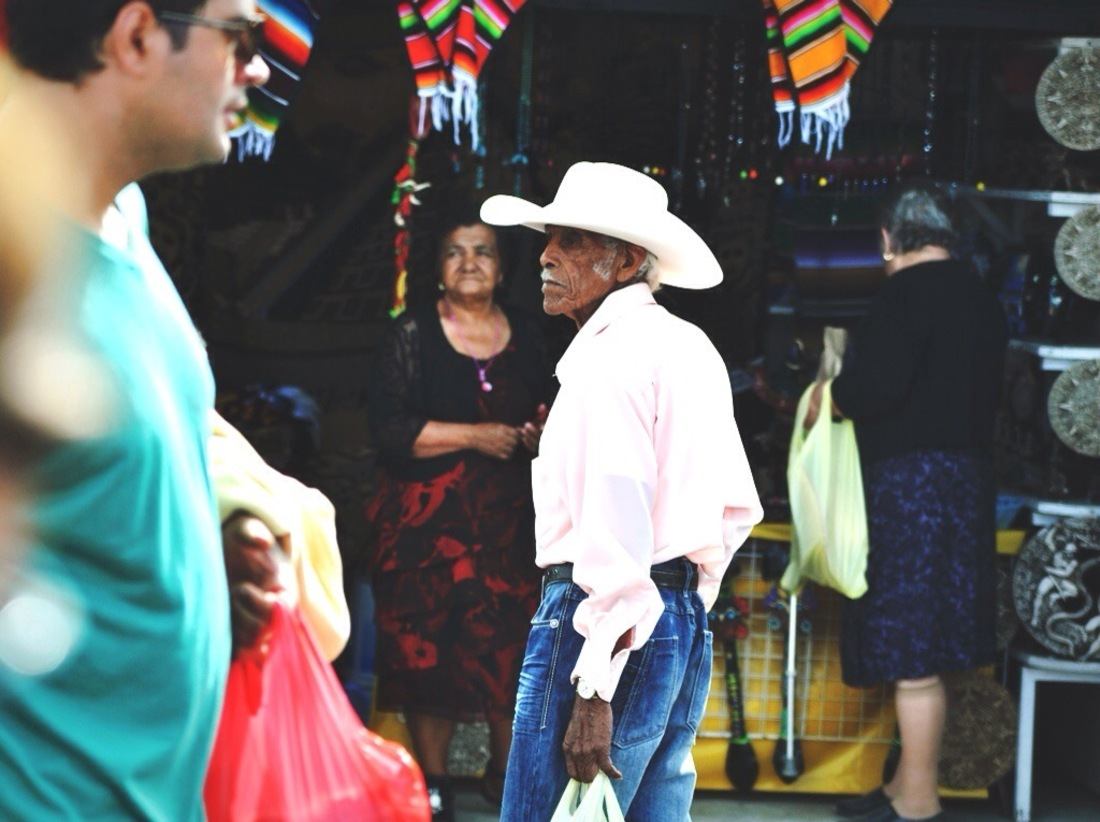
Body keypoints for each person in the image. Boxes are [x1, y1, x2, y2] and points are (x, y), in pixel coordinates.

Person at [0, 2, 275, 818]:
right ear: (137, 34)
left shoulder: (123, 218)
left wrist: (227, 516)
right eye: (243, 38)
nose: (259, 71)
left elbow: (156, 422)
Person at [480, 161, 763, 821]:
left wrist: (595, 684)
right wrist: (681, 604)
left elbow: (614, 518)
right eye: (550, 239)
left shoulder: (610, 358)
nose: (546, 256)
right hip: (671, 615)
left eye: (571, 241)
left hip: (600, 623)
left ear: (628, 259)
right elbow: (734, 508)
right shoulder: (687, 345)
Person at [805, 185, 1008, 822]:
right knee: (932, 645)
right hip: (965, 484)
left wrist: (827, 397)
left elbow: (874, 389)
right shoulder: (982, 298)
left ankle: (917, 802)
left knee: (913, 651)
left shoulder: (902, 295)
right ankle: (901, 787)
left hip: (910, 488)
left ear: (889, 238)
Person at [366, 210, 552, 820]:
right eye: (455, 251)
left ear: (502, 271)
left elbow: (556, 407)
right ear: (438, 271)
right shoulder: (411, 332)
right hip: (425, 530)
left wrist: (537, 429)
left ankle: (504, 779)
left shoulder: (532, 333)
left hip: (507, 527)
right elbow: (390, 432)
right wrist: (479, 436)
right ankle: (436, 784)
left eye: (483, 251)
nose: (470, 261)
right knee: (428, 653)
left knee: (507, 647)